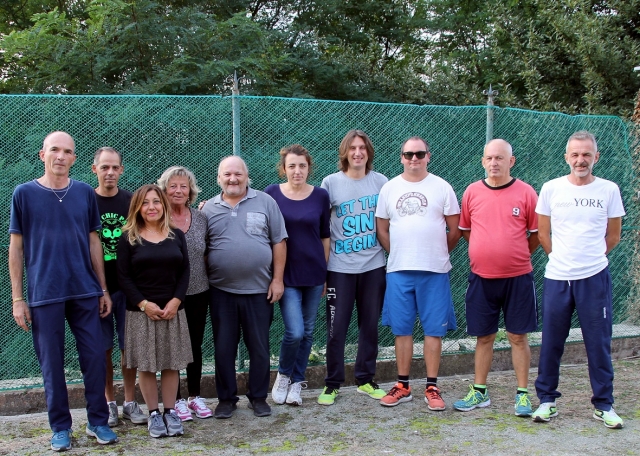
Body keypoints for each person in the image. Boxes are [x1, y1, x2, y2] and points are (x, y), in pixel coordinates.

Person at [9, 131, 118, 451]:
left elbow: (94, 241)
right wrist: (18, 298)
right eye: (54, 150)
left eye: (67, 151)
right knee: (51, 364)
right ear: (42, 155)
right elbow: (16, 248)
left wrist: (103, 289)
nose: (60, 156)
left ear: (74, 158)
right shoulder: (24, 193)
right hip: (44, 293)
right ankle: (60, 428)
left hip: (85, 291)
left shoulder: (84, 192)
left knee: (96, 358)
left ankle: (98, 422)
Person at [532, 131, 626, 429]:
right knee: (551, 343)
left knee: (598, 342)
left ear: (596, 157)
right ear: (566, 157)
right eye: (575, 154)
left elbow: (613, 236)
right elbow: (543, 234)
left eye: (586, 154)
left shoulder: (609, 190)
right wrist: (560, 258)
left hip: (594, 277)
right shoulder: (551, 189)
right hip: (557, 277)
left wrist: (589, 260)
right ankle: (547, 401)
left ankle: (604, 404)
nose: (580, 160)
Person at [453, 139, 539, 416]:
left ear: (511, 161)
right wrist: (487, 249)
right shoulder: (472, 192)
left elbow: (536, 234)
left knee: (517, 337)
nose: (494, 163)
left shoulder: (526, 193)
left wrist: (514, 253)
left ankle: (523, 395)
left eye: (500, 158)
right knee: (484, 337)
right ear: (483, 161)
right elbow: (466, 229)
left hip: (518, 278)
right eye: (489, 158)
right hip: (482, 278)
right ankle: (480, 392)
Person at [375, 136, 460, 410]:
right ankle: (403, 386)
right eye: (409, 154)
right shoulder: (389, 188)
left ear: (428, 156)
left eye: (419, 153)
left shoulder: (443, 187)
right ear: (401, 157)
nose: (414, 158)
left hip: (434, 271)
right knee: (402, 330)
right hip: (399, 270)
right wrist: (399, 252)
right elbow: (382, 229)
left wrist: (435, 253)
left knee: (434, 331)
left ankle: (432, 387)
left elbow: (455, 230)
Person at [202, 156, 287, 419]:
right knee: (224, 348)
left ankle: (258, 397)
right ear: (218, 178)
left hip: (259, 291)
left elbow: (279, 242)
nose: (233, 179)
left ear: (247, 176)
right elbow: (200, 249)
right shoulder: (207, 210)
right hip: (220, 292)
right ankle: (226, 399)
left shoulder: (266, 202)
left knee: (259, 348)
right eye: (227, 174)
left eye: (238, 174)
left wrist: (277, 280)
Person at [317, 130, 388, 406]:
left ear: (368, 152)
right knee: (337, 329)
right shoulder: (330, 183)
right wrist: (321, 270)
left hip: (373, 266)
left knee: (369, 326)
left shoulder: (381, 182)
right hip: (339, 269)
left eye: (362, 148)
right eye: (352, 148)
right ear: (344, 152)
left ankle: (365, 380)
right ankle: (332, 384)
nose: (358, 152)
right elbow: (321, 226)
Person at [117, 184, 193, 438]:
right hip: (141, 313)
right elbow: (123, 277)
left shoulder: (176, 234)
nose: (152, 207)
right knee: (147, 366)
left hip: (172, 310)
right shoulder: (128, 236)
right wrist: (143, 303)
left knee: (172, 364)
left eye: (156, 202)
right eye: (146, 203)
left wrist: (176, 301)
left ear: (164, 205)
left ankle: (170, 411)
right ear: (137, 207)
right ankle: (153, 415)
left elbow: (185, 272)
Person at [265, 145, 331, 406]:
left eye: (302, 166)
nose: (297, 171)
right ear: (284, 169)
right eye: (292, 166)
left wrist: (324, 274)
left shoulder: (320, 196)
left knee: (308, 332)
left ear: (308, 168)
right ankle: (283, 374)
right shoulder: (271, 193)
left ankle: (296, 383)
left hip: (314, 275)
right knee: (294, 331)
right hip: (285, 275)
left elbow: (325, 236)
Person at [92, 147, 146, 427]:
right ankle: (108, 403)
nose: (110, 172)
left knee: (129, 348)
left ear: (121, 170)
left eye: (115, 167)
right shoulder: (85, 201)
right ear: (95, 170)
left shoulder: (130, 202)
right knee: (103, 349)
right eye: (104, 167)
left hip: (128, 289)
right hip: (95, 289)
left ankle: (129, 402)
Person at [157, 166, 213, 421]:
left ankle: (194, 396)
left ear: (190, 190)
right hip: (167, 295)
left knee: (195, 346)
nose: (178, 190)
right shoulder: (156, 217)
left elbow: (207, 252)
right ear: (164, 190)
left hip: (199, 291)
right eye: (173, 186)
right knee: (170, 348)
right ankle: (175, 400)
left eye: (183, 186)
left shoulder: (201, 217)